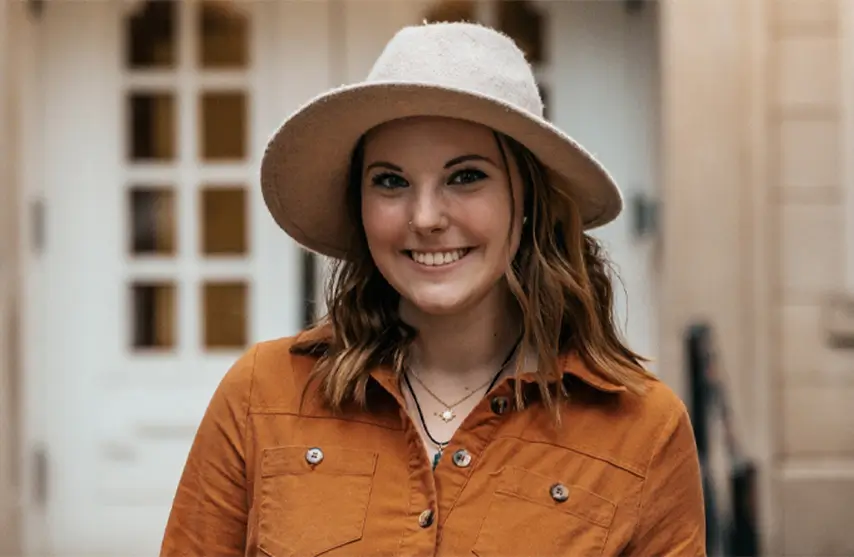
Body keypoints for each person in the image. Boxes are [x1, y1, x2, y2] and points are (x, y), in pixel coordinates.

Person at [160, 21, 706, 557]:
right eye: (391, 181)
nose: (425, 217)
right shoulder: (261, 396)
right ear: (361, 207)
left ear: (530, 201)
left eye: (465, 176)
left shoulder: (643, 431)